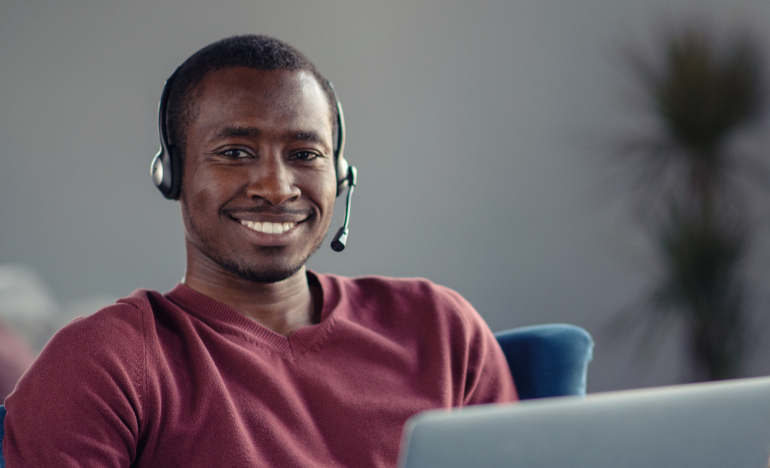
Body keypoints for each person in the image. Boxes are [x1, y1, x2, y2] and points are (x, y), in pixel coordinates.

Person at [4, 35, 516, 467]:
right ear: (174, 174)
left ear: (339, 177)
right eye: (234, 152)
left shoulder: (440, 327)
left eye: (304, 154)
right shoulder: (104, 363)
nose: (276, 187)